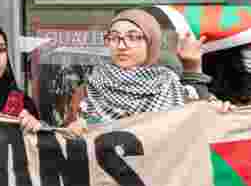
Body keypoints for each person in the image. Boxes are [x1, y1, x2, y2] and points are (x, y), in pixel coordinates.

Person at [72, 8, 210, 126]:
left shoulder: (170, 85)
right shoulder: (88, 90)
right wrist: (73, 130)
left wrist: (193, 67)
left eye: (133, 37)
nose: (121, 46)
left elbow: (200, 123)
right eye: (114, 38)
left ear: (151, 42)